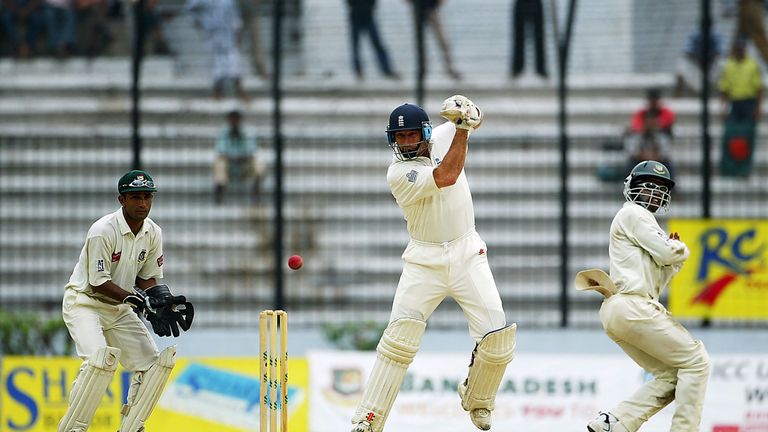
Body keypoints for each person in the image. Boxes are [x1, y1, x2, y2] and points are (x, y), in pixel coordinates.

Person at [350, 95, 516, 432]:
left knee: (496, 335)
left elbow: (472, 119)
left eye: (412, 135)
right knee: (399, 339)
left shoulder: (441, 136)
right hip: (424, 262)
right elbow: (448, 175)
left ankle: (479, 399)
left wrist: (469, 112)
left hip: (467, 253)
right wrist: (464, 131)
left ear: (425, 132)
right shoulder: (398, 173)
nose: (407, 143)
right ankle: (368, 419)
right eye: (400, 137)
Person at [58, 169, 194, 432]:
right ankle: (73, 428)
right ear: (122, 200)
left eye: (147, 197)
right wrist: (139, 301)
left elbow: (147, 279)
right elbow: (98, 281)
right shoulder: (102, 231)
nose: (142, 203)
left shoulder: (153, 232)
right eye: (135, 197)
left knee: (154, 365)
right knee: (100, 362)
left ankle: (132, 426)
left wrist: (160, 301)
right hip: (84, 302)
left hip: (118, 308)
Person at [585, 160, 710, 432]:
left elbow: (657, 280)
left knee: (671, 376)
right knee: (697, 361)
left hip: (625, 309)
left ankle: (615, 422)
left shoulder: (642, 225)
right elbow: (669, 252)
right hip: (632, 306)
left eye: (660, 188)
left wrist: (673, 260)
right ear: (632, 188)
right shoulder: (633, 213)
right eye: (648, 187)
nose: (654, 193)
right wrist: (677, 248)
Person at [718, 37, 763, 177]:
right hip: (735, 104)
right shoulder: (729, 65)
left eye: (741, 48)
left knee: (748, 137)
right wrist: (723, 108)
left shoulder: (752, 64)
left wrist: (757, 108)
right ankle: (728, 169)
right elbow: (724, 89)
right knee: (729, 136)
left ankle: (744, 170)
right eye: (737, 48)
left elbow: (758, 89)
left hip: (749, 104)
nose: (739, 51)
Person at [187, 0, 248, 100]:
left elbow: (235, 18)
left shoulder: (228, 1)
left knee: (233, 60)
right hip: (212, 35)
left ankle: (237, 90)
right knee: (217, 62)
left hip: (228, 35)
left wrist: (237, 36)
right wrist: (199, 22)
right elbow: (191, 8)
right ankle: (217, 91)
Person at [213, 109, 265, 204]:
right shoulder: (223, 133)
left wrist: (241, 157)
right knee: (219, 164)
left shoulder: (249, 132)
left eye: (236, 118)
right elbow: (220, 152)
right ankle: (218, 194)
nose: (234, 121)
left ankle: (255, 194)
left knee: (259, 165)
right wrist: (233, 157)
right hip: (229, 165)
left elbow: (252, 151)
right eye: (232, 119)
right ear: (228, 120)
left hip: (244, 165)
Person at [407, 0, 461, 80]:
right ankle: (423, 67)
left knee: (441, 40)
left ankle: (449, 67)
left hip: (431, 9)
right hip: (418, 9)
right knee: (420, 42)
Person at [346, 0, 399, 80]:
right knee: (356, 46)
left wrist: (370, 8)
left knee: (375, 43)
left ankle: (386, 69)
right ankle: (358, 70)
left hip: (367, 15)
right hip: (357, 14)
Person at [673, 26, 725, 97]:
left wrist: (708, 58)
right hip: (698, 66)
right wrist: (699, 58)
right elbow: (687, 52)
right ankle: (677, 95)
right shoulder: (696, 34)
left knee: (722, 63)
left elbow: (719, 52)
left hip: (711, 67)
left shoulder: (715, 34)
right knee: (681, 64)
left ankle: (722, 94)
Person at [510, 0, 548, 78]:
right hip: (524, 4)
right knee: (519, 38)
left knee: (538, 37)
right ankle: (518, 68)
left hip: (533, 4)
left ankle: (540, 68)